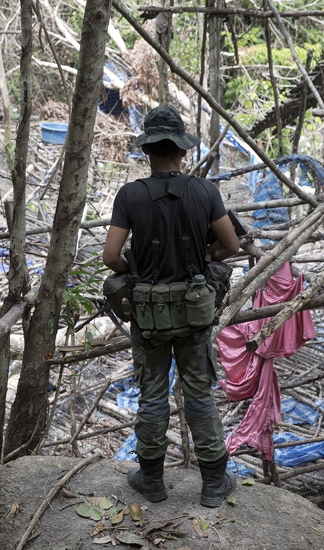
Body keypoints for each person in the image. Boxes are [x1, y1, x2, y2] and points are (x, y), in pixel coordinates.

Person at [102, 105, 240, 508]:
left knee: (152, 395)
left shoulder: (130, 195)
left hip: (148, 317)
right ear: (182, 152)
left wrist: (139, 271)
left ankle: (152, 480)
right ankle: (214, 483)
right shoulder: (205, 191)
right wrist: (202, 258)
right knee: (198, 394)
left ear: (148, 151)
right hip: (195, 314)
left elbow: (111, 256)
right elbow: (230, 247)